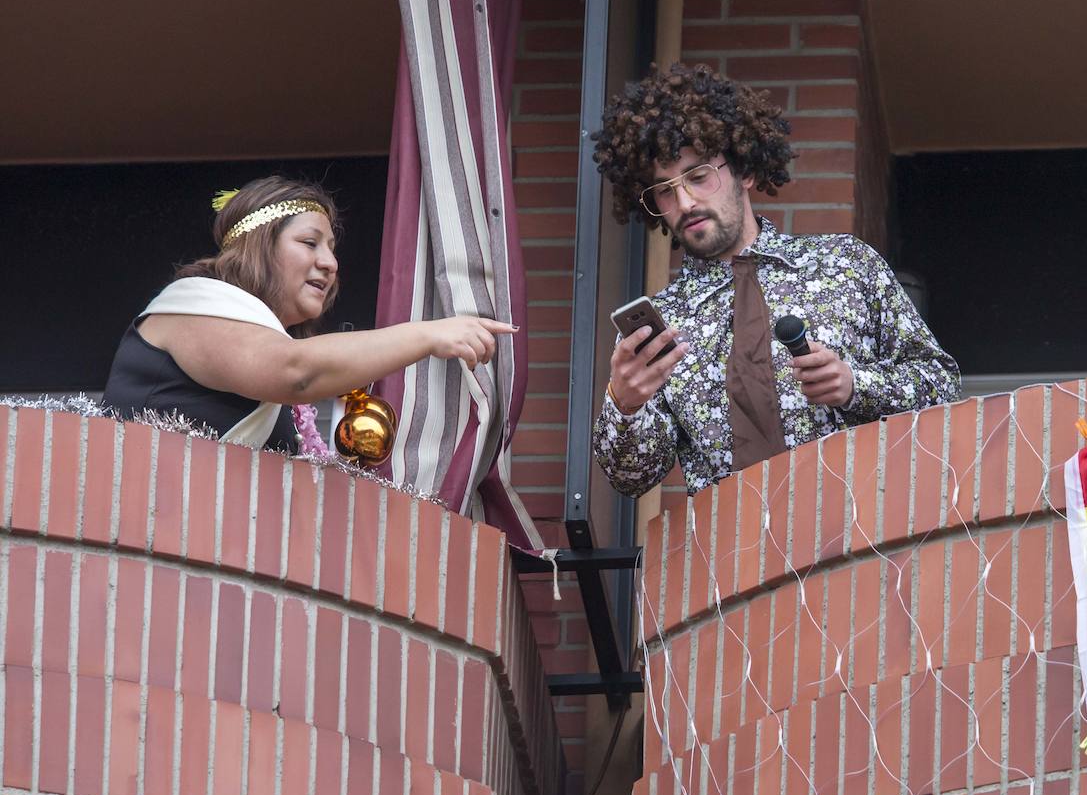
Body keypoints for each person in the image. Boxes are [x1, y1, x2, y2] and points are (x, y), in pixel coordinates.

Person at [590, 64, 961, 499]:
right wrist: (626, 403)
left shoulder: (844, 263)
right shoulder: (663, 325)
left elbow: (942, 388)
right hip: (733, 557)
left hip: (864, 543)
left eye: (698, 176)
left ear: (745, 172)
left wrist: (855, 387)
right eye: (665, 190)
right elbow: (632, 478)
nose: (685, 202)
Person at [103, 175, 514, 453]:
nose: (330, 263)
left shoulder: (261, 354)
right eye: (310, 242)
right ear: (259, 246)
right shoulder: (191, 306)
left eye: (331, 248)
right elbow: (296, 372)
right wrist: (428, 336)